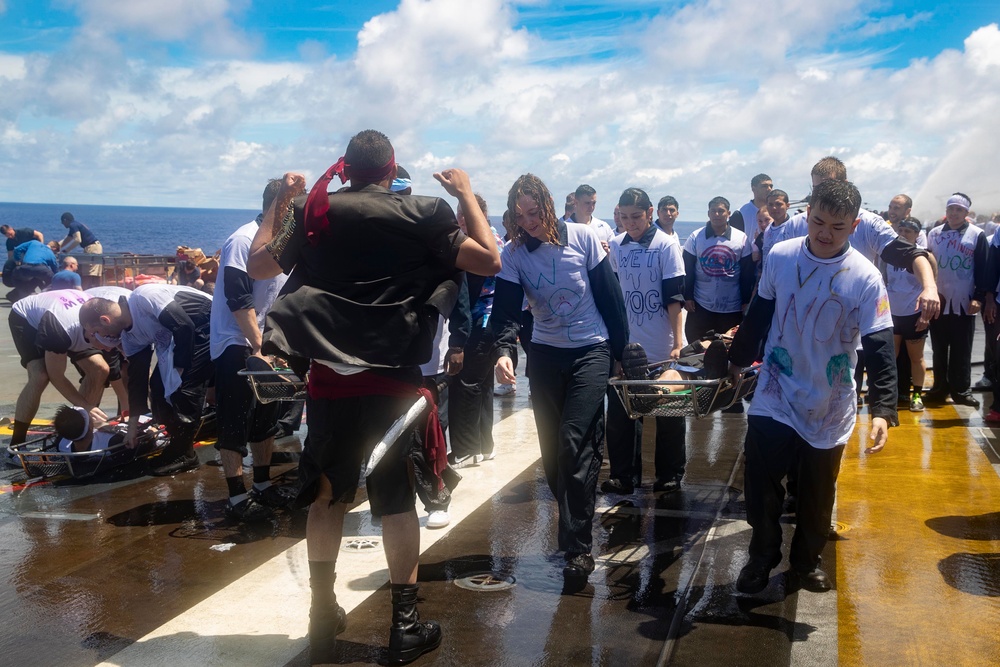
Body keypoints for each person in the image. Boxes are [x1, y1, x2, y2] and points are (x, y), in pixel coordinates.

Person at [244, 130, 501, 665]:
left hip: (328, 379)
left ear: (349, 169)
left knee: (326, 495)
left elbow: (260, 266)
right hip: (394, 378)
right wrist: (466, 194)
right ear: (392, 168)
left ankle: (320, 618)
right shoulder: (423, 210)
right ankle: (403, 626)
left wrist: (279, 201)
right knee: (395, 501)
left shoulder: (318, 212)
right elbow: (488, 261)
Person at [727, 179, 897, 595]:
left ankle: (805, 563)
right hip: (776, 390)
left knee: (818, 496)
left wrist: (883, 408)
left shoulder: (867, 277)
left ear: (854, 225)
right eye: (817, 221)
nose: (824, 233)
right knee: (761, 484)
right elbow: (759, 314)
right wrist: (735, 362)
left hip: (830, 398)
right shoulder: (781, 256)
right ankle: (761, 557)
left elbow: (879, 346)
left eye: (837, 227)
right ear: (807, 216)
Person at [492, 173, 628, 583]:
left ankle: (578, 547)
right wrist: (503, 351)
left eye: (534, 213)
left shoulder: (583, 238)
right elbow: (506, 312)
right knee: (553, 456)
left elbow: (610, 298)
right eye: (521, 217)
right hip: (547, 355)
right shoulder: (514, 254)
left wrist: (621, 354)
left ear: (548, 206)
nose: (529, 222)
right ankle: (576, 521)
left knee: (574, 442)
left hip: (591, 350)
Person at [209, 179, 295, 522]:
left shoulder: (283, 243)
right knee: (235, 422)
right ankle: (236, 496)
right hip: (235, 341)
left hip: (267, 342)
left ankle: (261, 484)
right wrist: (258, 347)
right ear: (276, 207)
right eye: (290, 208)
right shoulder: (243, 239)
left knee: (266, 420)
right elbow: (238, 298)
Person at [79, 284, 215, 476]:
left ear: (104, 319)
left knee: (183, 390)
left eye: (95, 333)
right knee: (157, 389)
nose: (99, 339)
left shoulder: (143, 298)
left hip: (206, 325)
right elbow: (138, 381)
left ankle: (184, 454)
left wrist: (180, 374)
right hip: (179, 340)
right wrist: (132, 427)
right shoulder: (129, 338)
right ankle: (178, 442)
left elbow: (184, 325)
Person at [605, 188, 686, 495]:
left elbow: (674, 298)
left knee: (669, 411)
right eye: (624, 218)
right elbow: (612, 296)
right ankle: (624, 475)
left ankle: (669, 473)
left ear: (650, 212)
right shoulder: (616, 245)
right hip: (628, 344)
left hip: (662, 343)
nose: (631, 224)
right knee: (623, 412)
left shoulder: (666, 245)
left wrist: (677, 343)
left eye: (636, 217)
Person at [7, 289, 114, 447]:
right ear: (92, 332)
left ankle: (77, 431)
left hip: (69, 316)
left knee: (100, 369)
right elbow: (56, 376)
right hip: (27, 319)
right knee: (41, 376)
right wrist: (87, 406)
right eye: (106, 343)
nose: (109, 349)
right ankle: (17, 443)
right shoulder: (60, 330)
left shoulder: (104, 325)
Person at [449, 194, 504, 468]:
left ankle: (466, 450)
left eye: (466, 215)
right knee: (482, 386)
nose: (461, 219)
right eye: (459, 214)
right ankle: (484, 445)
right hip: (493, 323)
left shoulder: (476, 245)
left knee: (465, 385)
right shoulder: (497, 241)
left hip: (479, 323)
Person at [923, 193, 988, 407]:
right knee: (939, 347)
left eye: (958, 210)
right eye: (951, 208)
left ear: (966, 213)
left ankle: (961, 390)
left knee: (962, 347)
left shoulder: (976, 235)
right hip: (938, 300)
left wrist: (978, 296)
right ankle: (940, 387)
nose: (953, 213)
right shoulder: (934, 234)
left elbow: (983, 268)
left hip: (964, 299)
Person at [682, 196, 754, 342]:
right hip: (701, 304)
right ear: (708, 213)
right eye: (713, 211)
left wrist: (746, 300)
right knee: (696, 346)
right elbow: (687, 269)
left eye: (721, 211)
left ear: (729, 213)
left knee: (728, 347)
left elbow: (747, 273)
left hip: (732, 306)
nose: (717, 215)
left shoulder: (741, 238)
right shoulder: (696, 237)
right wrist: (687, 296)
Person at [887, 218, 932, 412]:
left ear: (917, 234)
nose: (903, 234)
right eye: (901, 230)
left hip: (914, 314)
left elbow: (931, 290)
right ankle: (890, 394)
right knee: (890, 357)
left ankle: (916, 395)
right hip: (892, 314)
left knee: (916, 358)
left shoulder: (924, 257)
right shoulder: (889, 256)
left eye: (909, 231)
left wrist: (925, 316)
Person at [57, 213, 102, 288]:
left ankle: (84, 290)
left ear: (65, 220)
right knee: (95, 272)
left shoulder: (73, 225)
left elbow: (78, 239)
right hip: (95, 247)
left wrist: (66, 250)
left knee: (88, 272)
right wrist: (57, 246)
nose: (62, 224)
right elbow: (67, 239)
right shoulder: (76, 225)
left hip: (92, 247)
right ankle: (95, 289)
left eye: (62, 222)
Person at [570, 184, 616, 252]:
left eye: (594, 203)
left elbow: (616, 253)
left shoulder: (604, 227)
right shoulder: (565, 228)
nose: (591, 207)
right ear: (576, 202)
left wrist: (607, 251)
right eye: (587, 203)